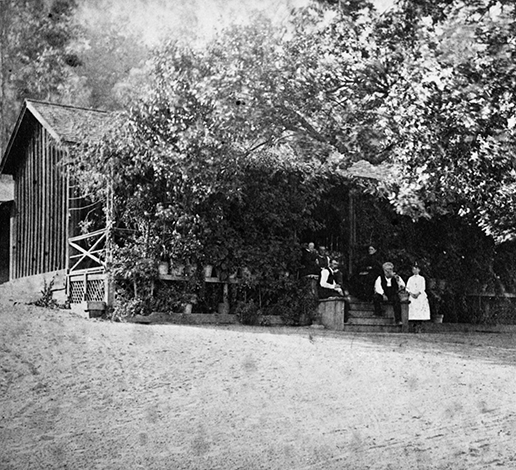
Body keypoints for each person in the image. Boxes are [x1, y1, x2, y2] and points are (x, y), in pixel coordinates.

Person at [406, 262, 431, 331]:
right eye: (413, 270)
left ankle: (419, 325)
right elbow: (407, 288)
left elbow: (423, 287)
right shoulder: (410, 279)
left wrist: (418, 293)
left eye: (416, 269)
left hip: (419, 295)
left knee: (420, 307)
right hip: (412, 295)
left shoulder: (422, 278)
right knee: (412, 307)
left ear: (419, 270)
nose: (415, 271)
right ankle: (414, 325)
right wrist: (411, 293)